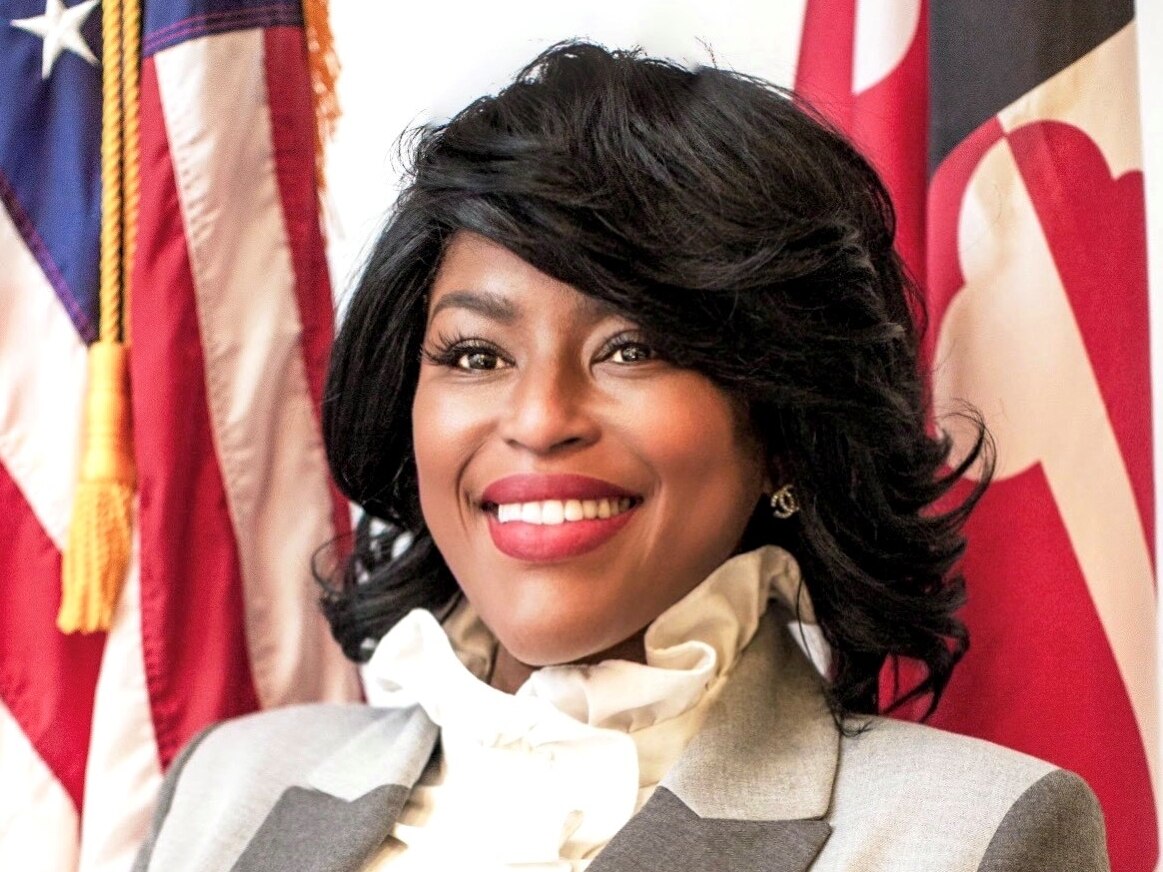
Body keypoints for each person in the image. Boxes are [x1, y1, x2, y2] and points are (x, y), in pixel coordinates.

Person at [132, 41, 1109, 872]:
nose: (540, 416)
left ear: (777, 421)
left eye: (632, 348)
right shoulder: (225, 789)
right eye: (476, 354)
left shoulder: (972, 835)